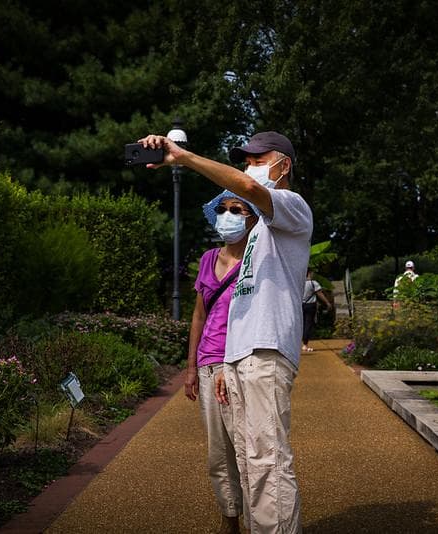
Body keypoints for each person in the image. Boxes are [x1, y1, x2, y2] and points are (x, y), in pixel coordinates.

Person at [140, 130, 312, 533]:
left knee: (267, 460)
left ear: (283, 165)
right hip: (240, 357)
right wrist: (227, 361)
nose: (249, 169)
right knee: (250, 463)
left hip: (266, 350)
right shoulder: (258, 233)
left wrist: (183, 157)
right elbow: (243, 302)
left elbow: (248, 188)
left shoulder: (292, 206)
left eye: (257, 160)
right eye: (246, 161)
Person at [185, 191, 259, 534]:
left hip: (242, 364)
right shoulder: (208, 258)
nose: (227, 215)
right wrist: (191, 368)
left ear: (252, 218)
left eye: (236, 209)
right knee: (219, 453)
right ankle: (231, 521)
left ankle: (260, 520)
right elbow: (199, 315)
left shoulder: (257, 260)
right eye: (222, 209)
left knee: (248, 448)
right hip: (208, 364)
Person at [301, 269, 331, 352]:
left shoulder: (300, 283)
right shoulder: (313, 283)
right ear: (309, 273)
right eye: (312, 273)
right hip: (310, 306)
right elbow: (320, 294)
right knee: (308, 324)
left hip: (301, 305)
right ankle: (305, 345)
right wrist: (327, 303)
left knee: (301, 324)